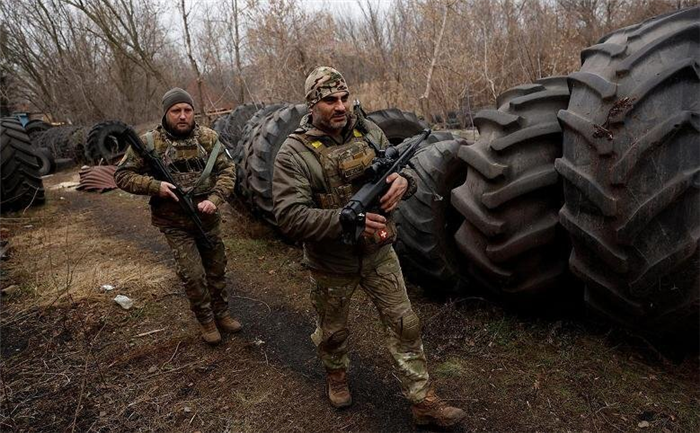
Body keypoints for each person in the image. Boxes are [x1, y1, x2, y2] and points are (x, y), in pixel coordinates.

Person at [272, 67, 467, 427]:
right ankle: (336, 375)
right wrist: (345, 221)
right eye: (330, 100)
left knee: (405, 324)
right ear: (312, 104)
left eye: (345, 98)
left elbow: (396, 166)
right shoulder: (293, 154)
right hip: (330, 262)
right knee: (333, 331)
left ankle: (423, 401)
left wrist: (403, 184)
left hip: (379, 252)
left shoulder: (367, 131)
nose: (341, 106)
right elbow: (290, 217)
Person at [114, 87, 241, 345]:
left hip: (207, 220)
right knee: (193, 274)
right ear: (166, 113)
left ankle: (222, 313)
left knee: (216, 268)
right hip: (175, 224)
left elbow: (228, 171)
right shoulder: (150, 143)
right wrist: (155, 187)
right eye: (176, 111)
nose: (182, 116)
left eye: (187, 110)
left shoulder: (208, 138)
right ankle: (206, 320)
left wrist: (214, 200)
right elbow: (122, 175)